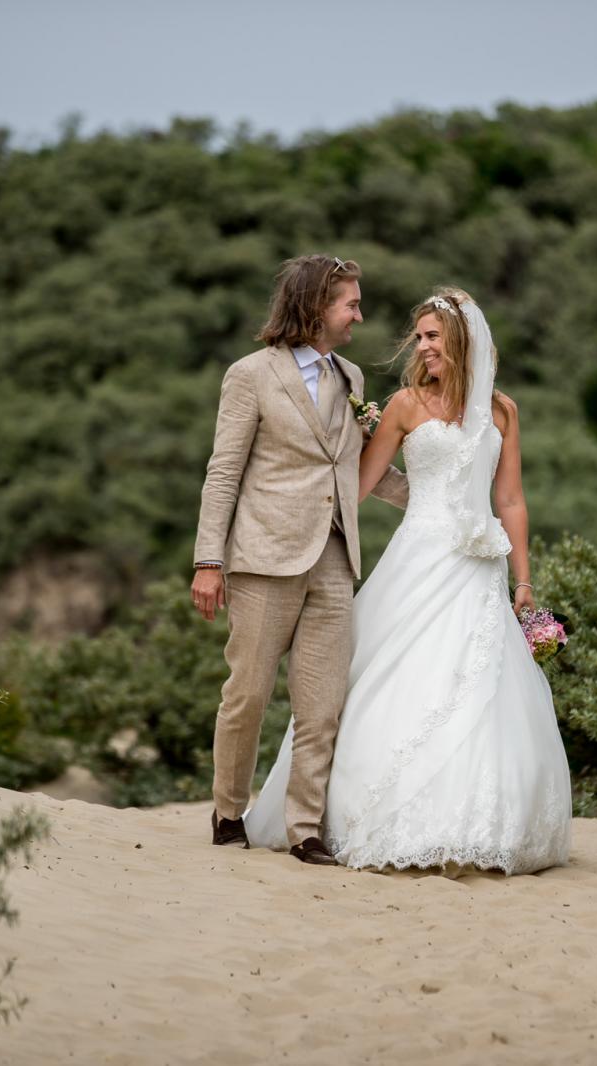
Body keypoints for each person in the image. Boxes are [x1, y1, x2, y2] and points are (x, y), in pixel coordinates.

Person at [245, 288, 573, 875]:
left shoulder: (502, 411)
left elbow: (511, 498)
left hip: (479, 567)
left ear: (463, 340)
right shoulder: (404, 405)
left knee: (481, 687)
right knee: (390, 679)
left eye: (432, 336)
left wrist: (524, 583)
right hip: (418, 559)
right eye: (418, 337)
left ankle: (481, 824)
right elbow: (359, 486)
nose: (422, 347)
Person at [192, 253, 408, 865]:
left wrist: (444, 498)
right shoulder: (250, 375)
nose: (359, 315)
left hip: (336, 559)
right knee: (249, 695)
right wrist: (209, 560)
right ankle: (228, 809)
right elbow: (223, 471)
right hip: (263, 559)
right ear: (316, 308)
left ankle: (304, 828)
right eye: (351, 304)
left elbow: (366, 468)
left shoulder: (354, 379)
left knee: (322, 705)